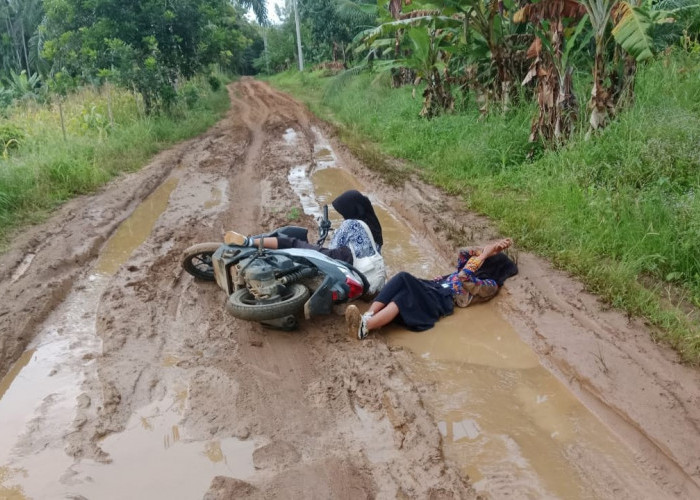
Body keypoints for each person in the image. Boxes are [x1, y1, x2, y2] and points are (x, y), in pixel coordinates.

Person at [345, 238, 517, 340]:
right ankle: (368, 315)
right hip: (433, 288)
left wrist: (486, 255)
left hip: (441, 301)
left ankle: (365, 327)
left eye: (488, 260)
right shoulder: (474, 266)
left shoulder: (490, 286)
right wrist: (488, 250)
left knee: (405, 297)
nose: (483, 260)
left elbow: (463, 278)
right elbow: (463, 253)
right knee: (401, 278)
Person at [224, 190, 386, 292]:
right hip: (360, 270)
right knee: (303, 247)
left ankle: (248, 242)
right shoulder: (373, 226)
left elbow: (334, 247)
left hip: (343, 260)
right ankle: (251, 242)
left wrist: (319, 246)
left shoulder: (351, 224)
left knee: (293, 243)